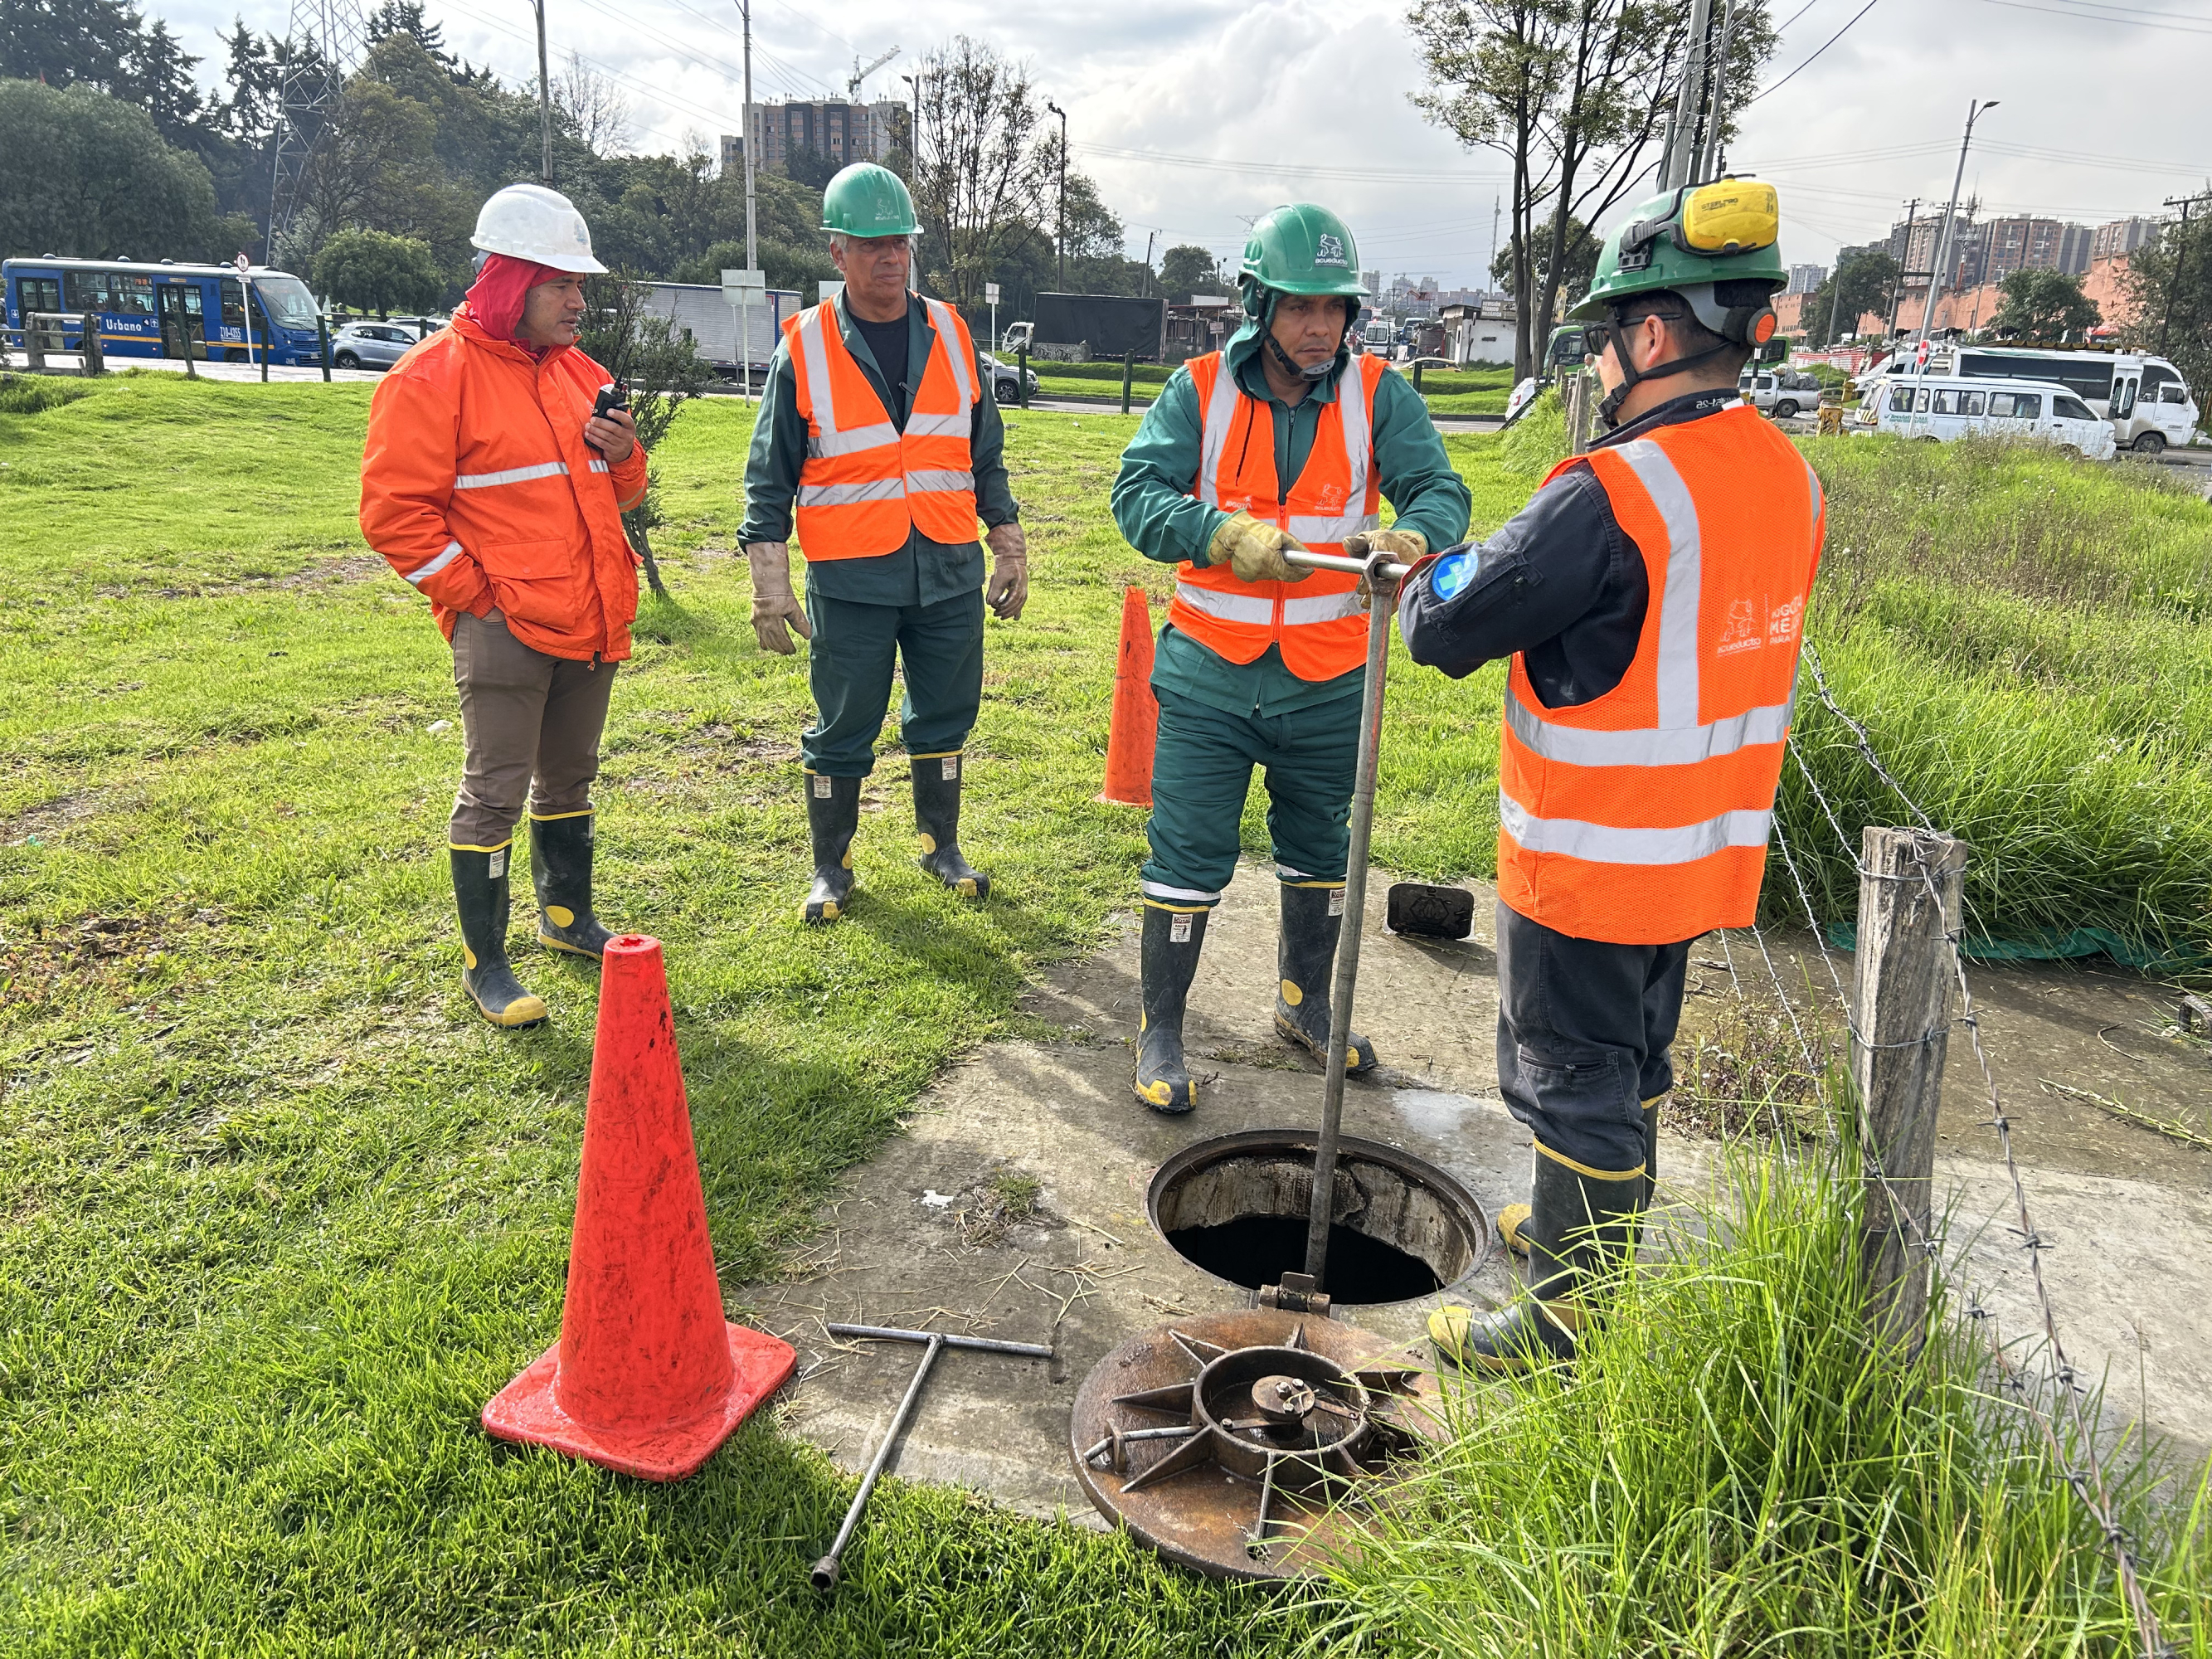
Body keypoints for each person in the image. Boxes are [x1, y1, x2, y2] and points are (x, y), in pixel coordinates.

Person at [1399, 178, 1822, 1370]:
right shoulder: (1784, 475)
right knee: (1632, 1061)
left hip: (1593, 853)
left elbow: (1450, 625)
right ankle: (1593, 1225)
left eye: (1599, 342)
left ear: (1646, 334)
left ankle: (1561, 1323)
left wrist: (1432, 574)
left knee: (1565, 1074)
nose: (1594, 369)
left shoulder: (1609, 489)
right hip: (1701, 846)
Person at [1111, 204, 1471, 1113]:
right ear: (1259, 304)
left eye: (1336, 308)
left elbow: (1440, 486)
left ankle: (1305, 1008)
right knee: (1186, 853)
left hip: (1331, 678)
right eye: (1301, 308)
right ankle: (1161, 1028)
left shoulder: (1379, 393)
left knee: (1322, 849)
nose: (1321, 328)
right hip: (1209, 675)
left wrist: (1414, 532)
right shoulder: (1198, 389)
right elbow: (1136, 495)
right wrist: (1217, 530)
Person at [360, 182, 646, 1029]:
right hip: (504, 631)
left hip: (590, 620)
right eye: (563, 282)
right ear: (513, 282)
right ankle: (488, 964)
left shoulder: (582, 375)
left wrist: (626, 453)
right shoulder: (431, 379)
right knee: (494, 792)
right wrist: (477, 599)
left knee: (569, 777)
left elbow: (622, 493)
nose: (578, 299)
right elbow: (394, 516)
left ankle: (568, 920)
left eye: (579, 284)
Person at [739, 162, 1027, 925]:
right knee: (843, 726)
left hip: (945, 568)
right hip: (853, 575)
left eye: (899, 242)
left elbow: (983, 450)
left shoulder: (953, 332)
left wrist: (1008, 546)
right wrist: (770, 585)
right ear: (836, 253)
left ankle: (941, 845)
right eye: (870, 245)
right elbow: (769, 474)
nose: (890, 257)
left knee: (946, 714)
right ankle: (830, 868)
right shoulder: (802, 345)